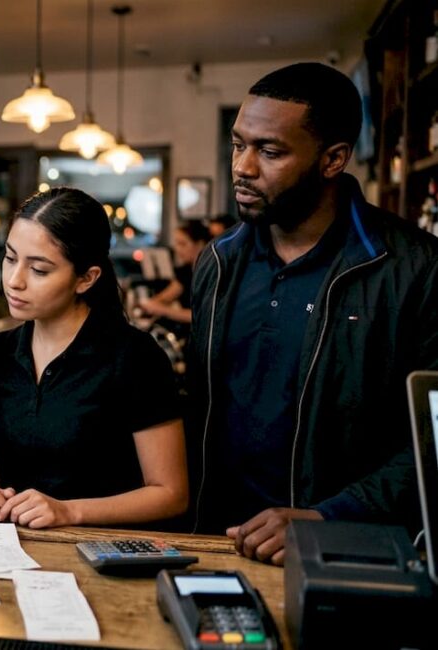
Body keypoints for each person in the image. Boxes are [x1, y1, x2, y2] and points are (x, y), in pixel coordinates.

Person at [188, 62, 438, 565]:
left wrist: (331, 515)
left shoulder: (415, 270)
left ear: (333, 159)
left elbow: (434, 437)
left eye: (270, 151)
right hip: (213, 544)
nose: (242, 166)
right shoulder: (217, 262)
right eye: (239, 144)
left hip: (342, 553)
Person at [0, 188, 187, 529]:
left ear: (86, 278)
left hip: (105, 558)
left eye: (39, 270)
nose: (14, 281)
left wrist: (69, 511)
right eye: (10, 258)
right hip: (15, 554)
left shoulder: (135, 358)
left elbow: (170, 494)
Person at [138, 221, 212, 327]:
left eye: (183, 244)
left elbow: (202, 316)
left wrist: (163, 310)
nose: (177, 249)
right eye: (176, 244)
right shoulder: (186, 271)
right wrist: (147, 305)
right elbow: (165, 297)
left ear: (200, 244)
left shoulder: (210, 274)